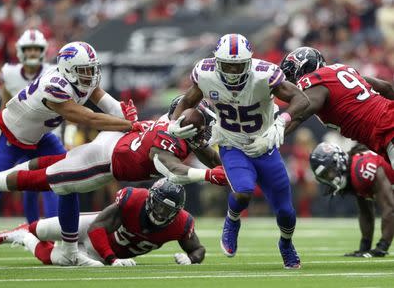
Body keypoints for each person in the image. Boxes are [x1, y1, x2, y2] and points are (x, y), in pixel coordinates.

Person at [0, 98, 226, 265]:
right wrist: (208, 175)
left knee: (57, 163)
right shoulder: (168, 145)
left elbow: (207, 152)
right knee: (51, 179)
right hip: (107, 162)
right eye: (204, 127)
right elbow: (175, 170)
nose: (207, 133)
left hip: (114, 142)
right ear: (189, 128)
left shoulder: (172, 123)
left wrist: (229, 172)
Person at [0, 40, 141, 264]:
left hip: (40, 138)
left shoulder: (78, 78)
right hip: (9, 137)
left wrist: (130, 117)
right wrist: (127, 125)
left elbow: (107, 102)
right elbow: (87, 117)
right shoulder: (55, 86)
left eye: (92, 69)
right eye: (85, 70)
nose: (91, 75)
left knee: (70, 178)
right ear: (69, 70)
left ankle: (70, 252)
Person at [168, 33, 309, 269]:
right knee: (243, 191)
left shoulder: (264, 75)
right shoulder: (205, 73)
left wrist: (281, 122)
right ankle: (232, 221)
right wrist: (173, 122)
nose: (233, 71)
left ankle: (286, 244)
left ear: (249, 62)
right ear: (217, 62)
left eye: (238, 65)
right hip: (231, 143)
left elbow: (301, 99)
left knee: (286, 212)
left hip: (264, 145)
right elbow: (186, 102)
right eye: (228, 65)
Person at [0, 179, 205, 267]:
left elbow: (198, 249)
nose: (160, 212)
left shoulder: (181, 223)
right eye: (158, 205)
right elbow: (96, 228)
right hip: (97, 233)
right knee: (46, 228)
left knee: (58, 260)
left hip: (100, 253)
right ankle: (26, 228)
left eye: (167, 210)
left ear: (177, 212)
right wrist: (111, 260)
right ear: (149, 198)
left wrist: (191, 259)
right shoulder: (134, 200)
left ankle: (24, 238)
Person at [280, 46, 394, 168]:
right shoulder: (341, 70)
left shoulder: (315, 84)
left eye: (290, 76)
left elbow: (302, 110)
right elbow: (387, 88)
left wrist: (275, 132)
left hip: (388, 131)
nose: (291, 83)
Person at [0, 29, 60, 223]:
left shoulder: (53, 72)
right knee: (28, 184)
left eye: (36, 49)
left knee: (51, 181)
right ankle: (33, 228)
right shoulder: (9, 74)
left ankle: (53, 227)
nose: (33, 53)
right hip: (22, 137)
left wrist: (68, 136)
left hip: (49, 135)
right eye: (29, 49)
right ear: (20, 51)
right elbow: (4, 109)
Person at [310, 143, 394, 258]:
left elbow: (390, 207)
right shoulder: (355, 171)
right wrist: (364, 248)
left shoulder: (361, 168)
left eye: (328, 172)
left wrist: (382, 247)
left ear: (338, 161)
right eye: (324, 177)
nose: (329, 178)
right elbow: (366, 213)